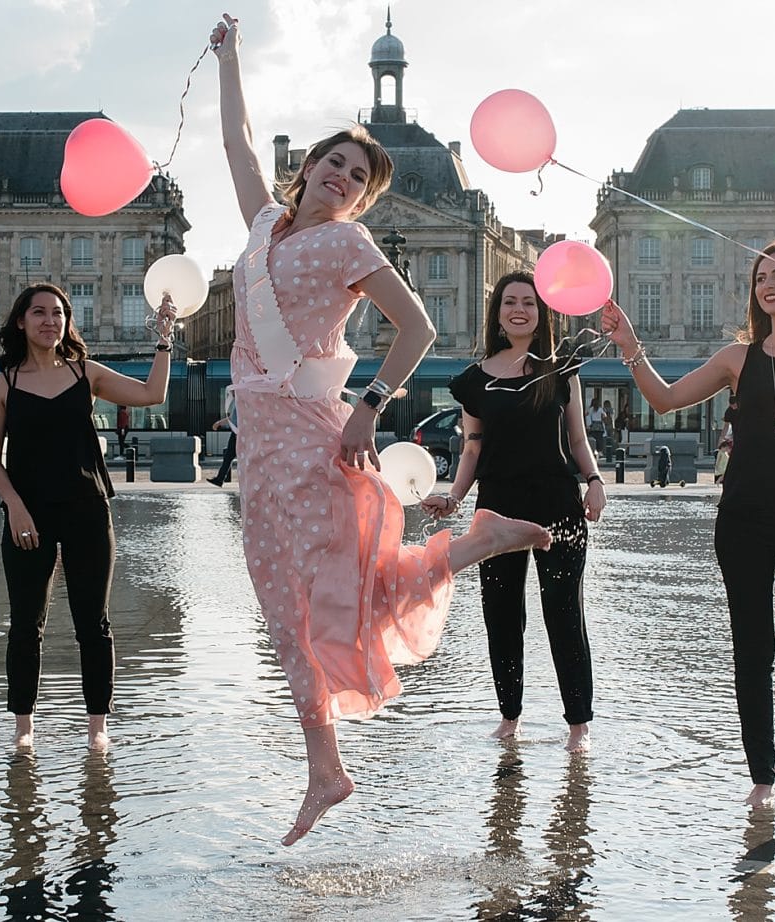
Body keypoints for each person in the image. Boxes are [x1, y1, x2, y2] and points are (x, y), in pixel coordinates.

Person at [212, 12, 550, 846]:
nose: (340, 176)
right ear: (311, 169)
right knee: (289, 603)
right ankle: (325, 768)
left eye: (356, 174)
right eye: (333, 161)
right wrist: (230, 59)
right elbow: (239, 145)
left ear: (364, 196)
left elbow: (420, 329)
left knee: (328, 599)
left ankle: (474, 544)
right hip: (261, 443)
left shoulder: (348, 243)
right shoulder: (265, 227)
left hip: (308, 431)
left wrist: (369, 404)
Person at [602, 239, 775, 817]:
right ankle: (762, 778)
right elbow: (666, 399)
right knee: (752, 651)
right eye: (760, 277)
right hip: (743, 522)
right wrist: (631, 348)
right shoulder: (738, 358)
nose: (768, 284)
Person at [0, 282, 178, 752]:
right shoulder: (3, 382)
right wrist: (15, 506)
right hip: (28, 515)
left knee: (94, 622)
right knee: (27, 623)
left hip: (88, 509)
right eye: (39, 313)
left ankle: (97, 727)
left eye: (59, 313)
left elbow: (152, 393)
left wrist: (165, 338)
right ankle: (24, 727)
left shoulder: (84, 373)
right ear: (21, 322)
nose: (50, 321)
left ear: (67, 322)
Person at [422, 271, 605, 754]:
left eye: (528, 302)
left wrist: (595, 482)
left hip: (558, 508)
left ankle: (578, 726)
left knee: (564, 613)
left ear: (542, 312)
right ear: (497, 313)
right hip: (496, 514)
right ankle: (510, 717)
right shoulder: (475, 378)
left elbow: (577, 438)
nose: (519, 309)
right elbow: (471, 448)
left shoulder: (561, 367)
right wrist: (454, 498)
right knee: (501, 616)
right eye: (509, 302)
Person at [208, 401, 239, 487]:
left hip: (238, 433)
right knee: (228, 456)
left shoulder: (240, 400)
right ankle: (220, 479)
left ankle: (220, 479)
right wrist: (219, 423)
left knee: (229, 457)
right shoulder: (239, 401)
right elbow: (233, 418)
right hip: (237, 433)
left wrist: (219, 423)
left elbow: (234, 419)